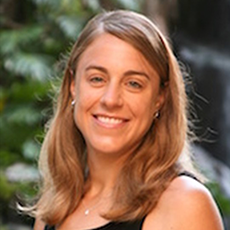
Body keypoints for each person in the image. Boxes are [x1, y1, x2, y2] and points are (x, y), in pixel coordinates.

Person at [30, 10, 224, 230]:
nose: (111, 100)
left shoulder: (184, 204)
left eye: (134, 84)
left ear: (160, 98)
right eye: (97, 79)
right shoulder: (55, 206)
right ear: (73, 86)